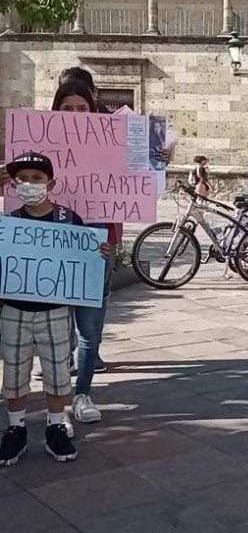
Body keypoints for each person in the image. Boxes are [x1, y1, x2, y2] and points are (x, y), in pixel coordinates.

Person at [0, 152, 111, 466]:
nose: (29, 184)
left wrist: (98, 254)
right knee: (15, 370)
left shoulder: (68, 220)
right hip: (14, 309)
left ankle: (55, 425)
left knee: (57, 371)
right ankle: (15, 428)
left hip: (55, 310)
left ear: (51, 183)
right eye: (22, 178)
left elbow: (83, 263)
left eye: (36, 178)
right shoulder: (10, 223)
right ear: (13, 184)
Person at [47, 81, 114, 426]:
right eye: (67, 108)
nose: (74, 116)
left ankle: (83, 393)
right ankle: (56, 400)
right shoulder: (39, 146)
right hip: (48, 246)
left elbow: (142, 174)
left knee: (89, 330)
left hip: (95, 247)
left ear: (93, 111)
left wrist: (160, 157)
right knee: (52, 328)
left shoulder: (109, 146)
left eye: (82, 109)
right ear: (55, 111)